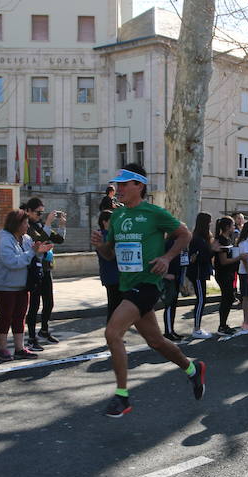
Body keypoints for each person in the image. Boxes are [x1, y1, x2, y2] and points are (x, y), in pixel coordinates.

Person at [90, 163, 205, 418]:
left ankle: (122, 397)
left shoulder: (154, 213)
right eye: (117, 184)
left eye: (123, 184)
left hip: (148, 284)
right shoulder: (117, 216)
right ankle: (193, 370)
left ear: (138, 186)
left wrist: (166, 257)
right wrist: (100, 246)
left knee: (112, 332)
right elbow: (110, 254)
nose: (117, 189)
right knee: (156, 341)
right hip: (126, 285)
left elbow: (184, 235)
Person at [0, 210, 53, 362]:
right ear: (16, 224)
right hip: (5, 285)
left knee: (20, 317)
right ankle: (2, 349)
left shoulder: (25, 238)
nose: (27, 226)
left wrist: (39, 252)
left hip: (22, 285)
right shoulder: (5, 241)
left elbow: (31, 256)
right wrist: (32, 252)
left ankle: (20, 348)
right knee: (6, 317)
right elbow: (13, 262)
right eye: (24, 223)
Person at [23, 197, 66, 349]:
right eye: (37, 213)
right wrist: (48, 223)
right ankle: (31, 338)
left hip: (46, 268)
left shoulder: (40, 224)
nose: (40, 216)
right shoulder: (27, 226)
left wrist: (61, 225)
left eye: (42, 213)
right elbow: (38, 241)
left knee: (49, 302)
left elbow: (59, 239)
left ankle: (44, 330)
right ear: (28, 211)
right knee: (34, 305)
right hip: (34, 269)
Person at [213, 216, 244, 335]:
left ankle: (224, 324)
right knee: (227, 298)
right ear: (227, 227)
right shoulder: (221, 240)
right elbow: (223, 261)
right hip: (223, 273)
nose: (234, 227)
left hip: (229, 273)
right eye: (232, 225)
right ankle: (222, 326)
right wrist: (238, 258)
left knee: (229, 298)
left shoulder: (228, 239)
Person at [187, 212, 215, 339]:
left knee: (202, 299)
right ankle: (196, 328)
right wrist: (212, 251)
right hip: (197, 273)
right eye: (209, 222)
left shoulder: (202, 237)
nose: (210, 224)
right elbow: (195, 258)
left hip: (201, 272)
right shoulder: (197, 239)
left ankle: (197, 327)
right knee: (201, 299)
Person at [96, 210, 121, 324]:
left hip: (115, 274)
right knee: (114, 306)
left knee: (117, 305)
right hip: (111, 275)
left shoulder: (110, 235)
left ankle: (114, 333)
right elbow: (110, 254)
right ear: (104, 222)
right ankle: (112, 334)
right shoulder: (103, 236)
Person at [161, 237, 188, 341]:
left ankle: (171, 330)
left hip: (176, 276)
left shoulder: (180, 244)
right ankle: (168, 331)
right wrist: (165, 274)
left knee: (173, 305)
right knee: (169, 305)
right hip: (169, 278)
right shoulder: (169, 243)